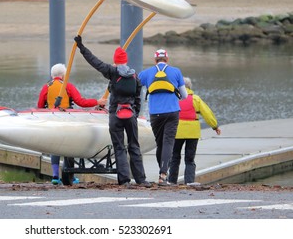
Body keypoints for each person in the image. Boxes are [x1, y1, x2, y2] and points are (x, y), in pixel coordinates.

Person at [74, 35, 151, 188]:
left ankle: (124, 180)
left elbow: (94, 62)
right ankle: (141, 180)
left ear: (115, 61)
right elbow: (138, 98)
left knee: (119, 147)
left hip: (115, 115)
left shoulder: (112, 71)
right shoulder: (135, 76)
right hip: (130, 115)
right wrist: (135, 113)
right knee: (134, 146)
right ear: (126, 61)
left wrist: (81, 48)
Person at [37, 63, 107, 185]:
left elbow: (39, 106)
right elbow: (81, 102)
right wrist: (97, 101)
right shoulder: (67, 86)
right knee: (69, 145)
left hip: (52, 119)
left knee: (54, 145)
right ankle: (70, 175)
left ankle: (55, 176)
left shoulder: (46, 87)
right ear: (63, 75)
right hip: (67, 120)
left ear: (52, 75)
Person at [138, 49, 187, 186]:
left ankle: (162, 172)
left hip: (155, 113)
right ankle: (163, 175)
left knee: (160, 143)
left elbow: (135, 84)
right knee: (168, 143)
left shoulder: (146, 73)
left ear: (155, 60)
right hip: (172, 112)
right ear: (167, 59)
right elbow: (184, 95)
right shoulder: (176, 71)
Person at [168, 77, 221, 185]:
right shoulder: (196, 99)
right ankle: (189, 182)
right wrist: (215, 126)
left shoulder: (173, 98)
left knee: (174, 157)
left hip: (177, 131)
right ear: (190, 87)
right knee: (190, 158)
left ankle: (172, 181)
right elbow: (207, 113)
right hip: (192, 132)